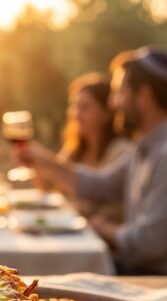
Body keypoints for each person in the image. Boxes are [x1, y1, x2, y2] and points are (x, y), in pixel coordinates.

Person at [17, 47, 167, 275]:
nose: (113, 104)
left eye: (119, 92)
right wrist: (43, 160)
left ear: (143, 96)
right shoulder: (148, 146)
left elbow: (148, 244)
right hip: (144, 270)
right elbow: (100, 185)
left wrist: (101, 227)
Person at [57, 72, 132, 221]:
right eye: (74, 106)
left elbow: (115, 208)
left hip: (99, 241)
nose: (76, 114)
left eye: (85, 108)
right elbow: (50, 184)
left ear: (107, 113)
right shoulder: (75, 148)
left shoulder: (122, 151)